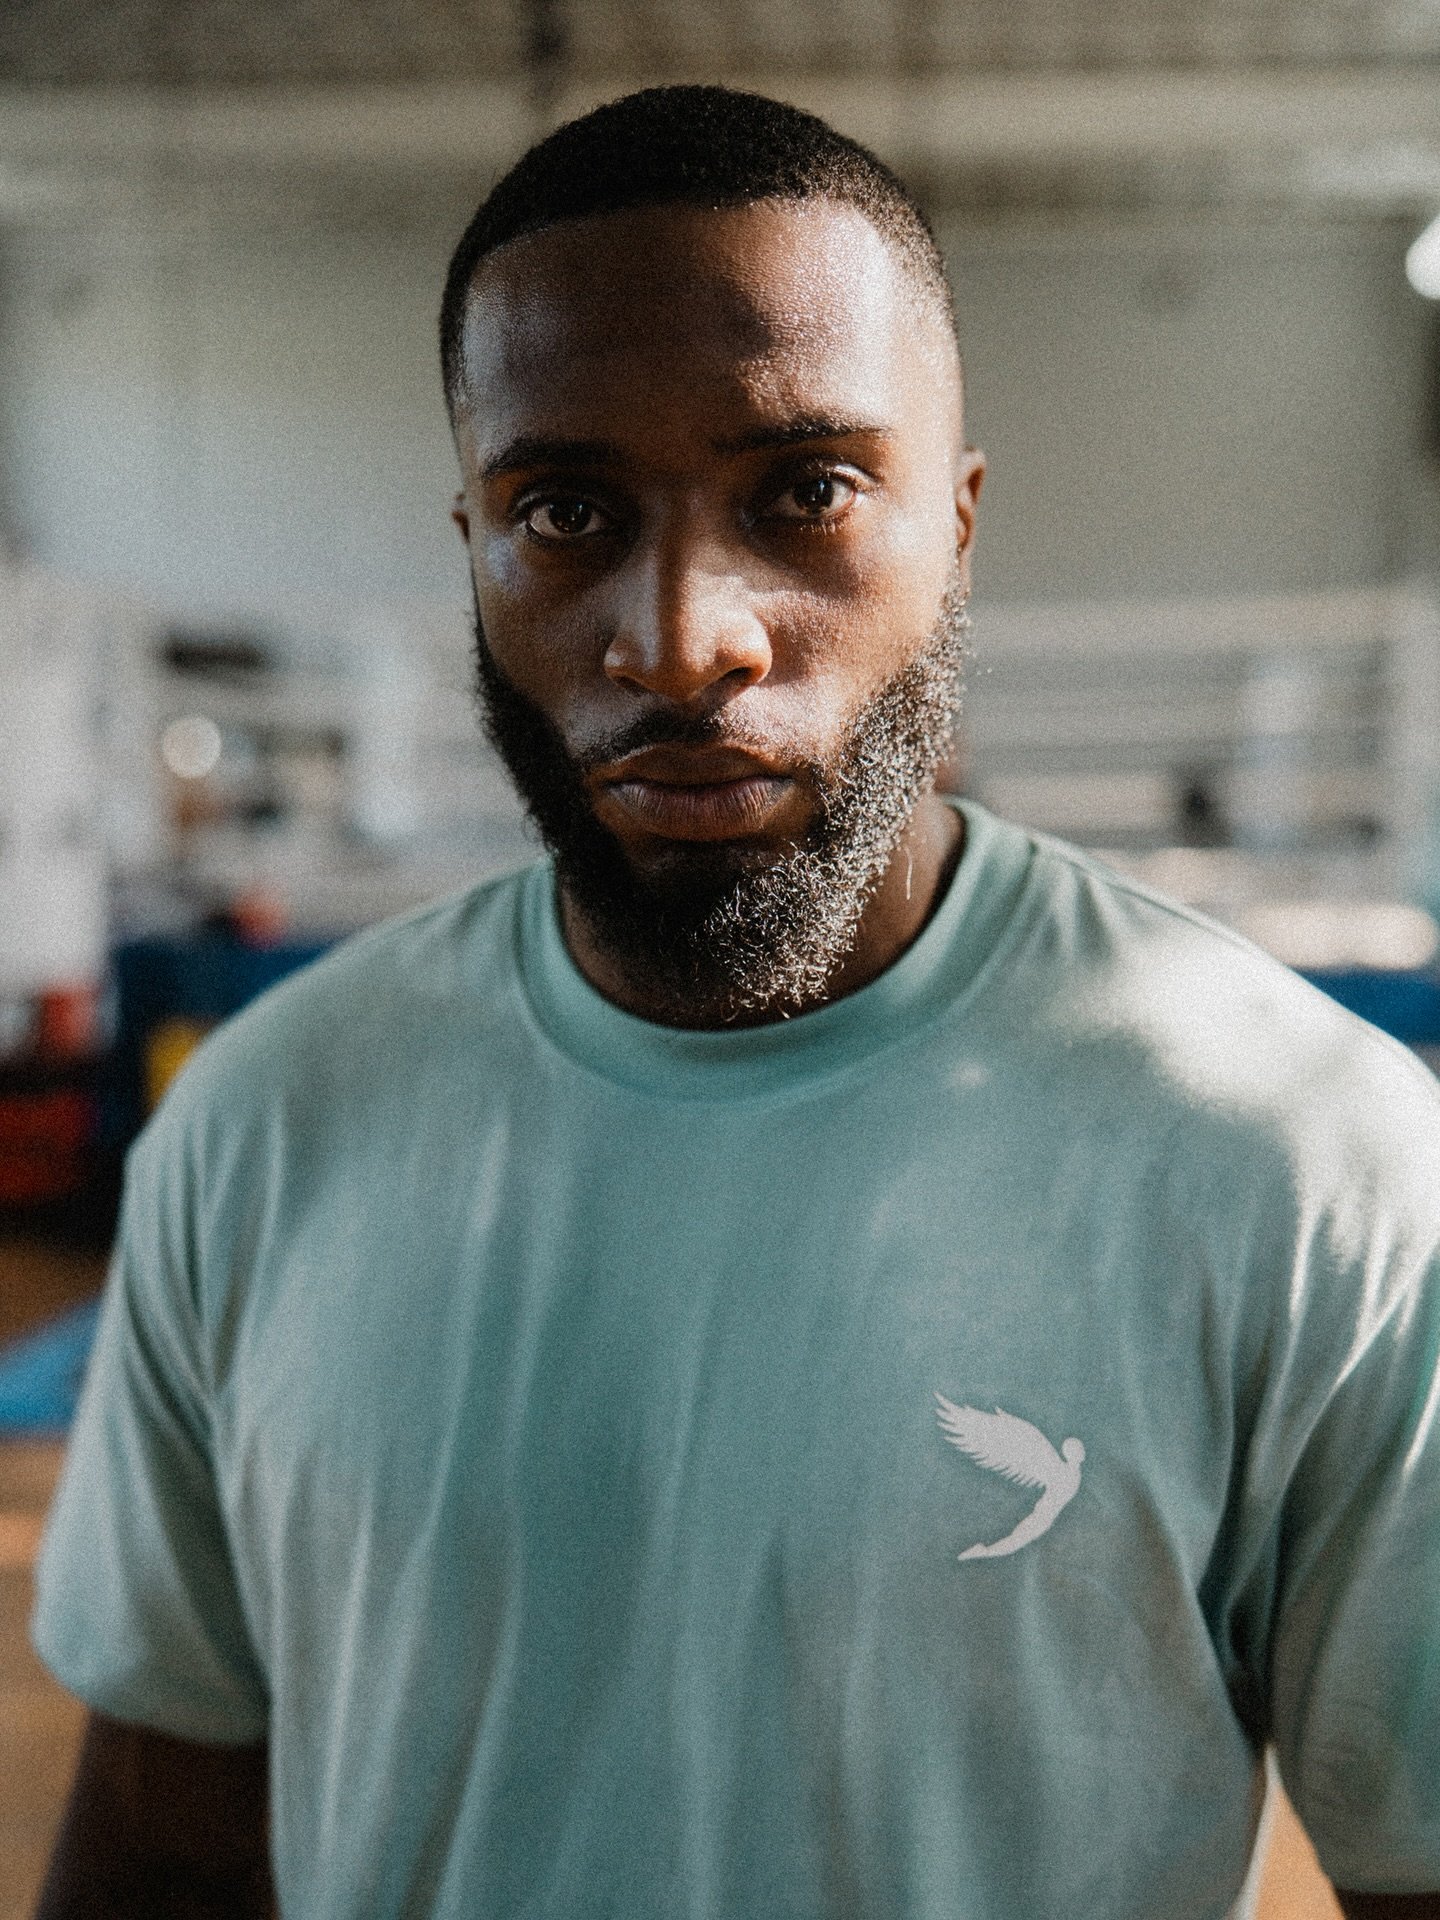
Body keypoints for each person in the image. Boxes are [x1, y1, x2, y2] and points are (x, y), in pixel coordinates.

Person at [31, 85, 1440, 1920]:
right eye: (566, 508)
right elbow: (159, 1837)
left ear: (958, 522)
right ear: (471, 540)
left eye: (808, 491)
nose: (687, 635)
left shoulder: (1310, 1157)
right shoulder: (265, 1121)